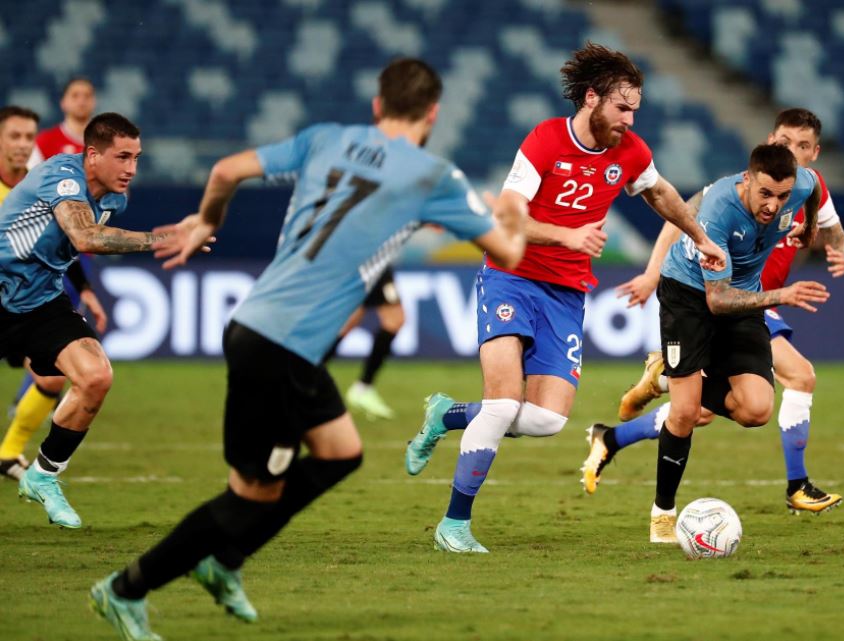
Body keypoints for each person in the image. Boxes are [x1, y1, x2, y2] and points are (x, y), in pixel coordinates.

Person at [89, 58, 526, 641]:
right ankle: (126, 588)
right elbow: (509, 251)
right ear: (433, 114)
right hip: (280, 348)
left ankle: (227, 560)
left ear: (377, 107)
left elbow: (225, 169)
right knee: (250, 494)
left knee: (341, 452)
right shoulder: (433, 175)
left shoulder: (328, 139)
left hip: (264, 326)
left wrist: (204, 222)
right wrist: (515, 212)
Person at [403, 42, 726, 554]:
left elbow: (661, 193)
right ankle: (454, 524)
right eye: (622, 108)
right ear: (592, 98)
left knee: (547, 420)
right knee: (504, 401)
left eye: (635, 110)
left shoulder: (630, 152)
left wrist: (702, 238)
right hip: (511, 276)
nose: (629, 119)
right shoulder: (546, 140)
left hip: (566, 293)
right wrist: (566, 235)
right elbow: (508, 215)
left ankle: (447, 414)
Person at [583, 109, 844, 516]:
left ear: (814, 153)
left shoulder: (801, 185)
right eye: (782, 142)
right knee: (800, 375)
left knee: (701, 412)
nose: (789, 151)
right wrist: (653, 274)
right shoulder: (726, 197)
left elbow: (828, 220)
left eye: (800, 146)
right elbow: (679, 222)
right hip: (729, 294)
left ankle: (614, 435)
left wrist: (824, 236)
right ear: (768, 142)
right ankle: (797, 485)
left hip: (753, 295)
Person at [0, 112, 197, 527]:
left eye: (137, 158)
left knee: (95, 376)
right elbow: (84, 237)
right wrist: (163, 238)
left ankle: (44, 474)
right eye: (123, 157)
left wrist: (84, 288)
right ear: (92, 155)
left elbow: (58, 247)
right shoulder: (63, 177)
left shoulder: (112, 198)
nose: (131, 169)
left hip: (39, 302)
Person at [0, 105, 108, 481]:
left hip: (30, 304)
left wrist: (85, 290)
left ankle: (9, 452)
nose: (23, 145)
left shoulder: (42, 184)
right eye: (14, 136)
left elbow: (62, 246)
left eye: (29, 137)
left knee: (52, 379)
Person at [323, 266, 404, 420]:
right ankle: (363, 387)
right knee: (395, 318)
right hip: (372, 263)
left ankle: (305, 377)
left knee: (349, 320)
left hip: (366, 262)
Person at [28, 77, 96, 168]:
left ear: (94, 102)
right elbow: (30, 178)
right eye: (75, 96)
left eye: (87, 96)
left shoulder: (106, 142)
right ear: (63, 102)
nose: (81, 101)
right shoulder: (44, 142)